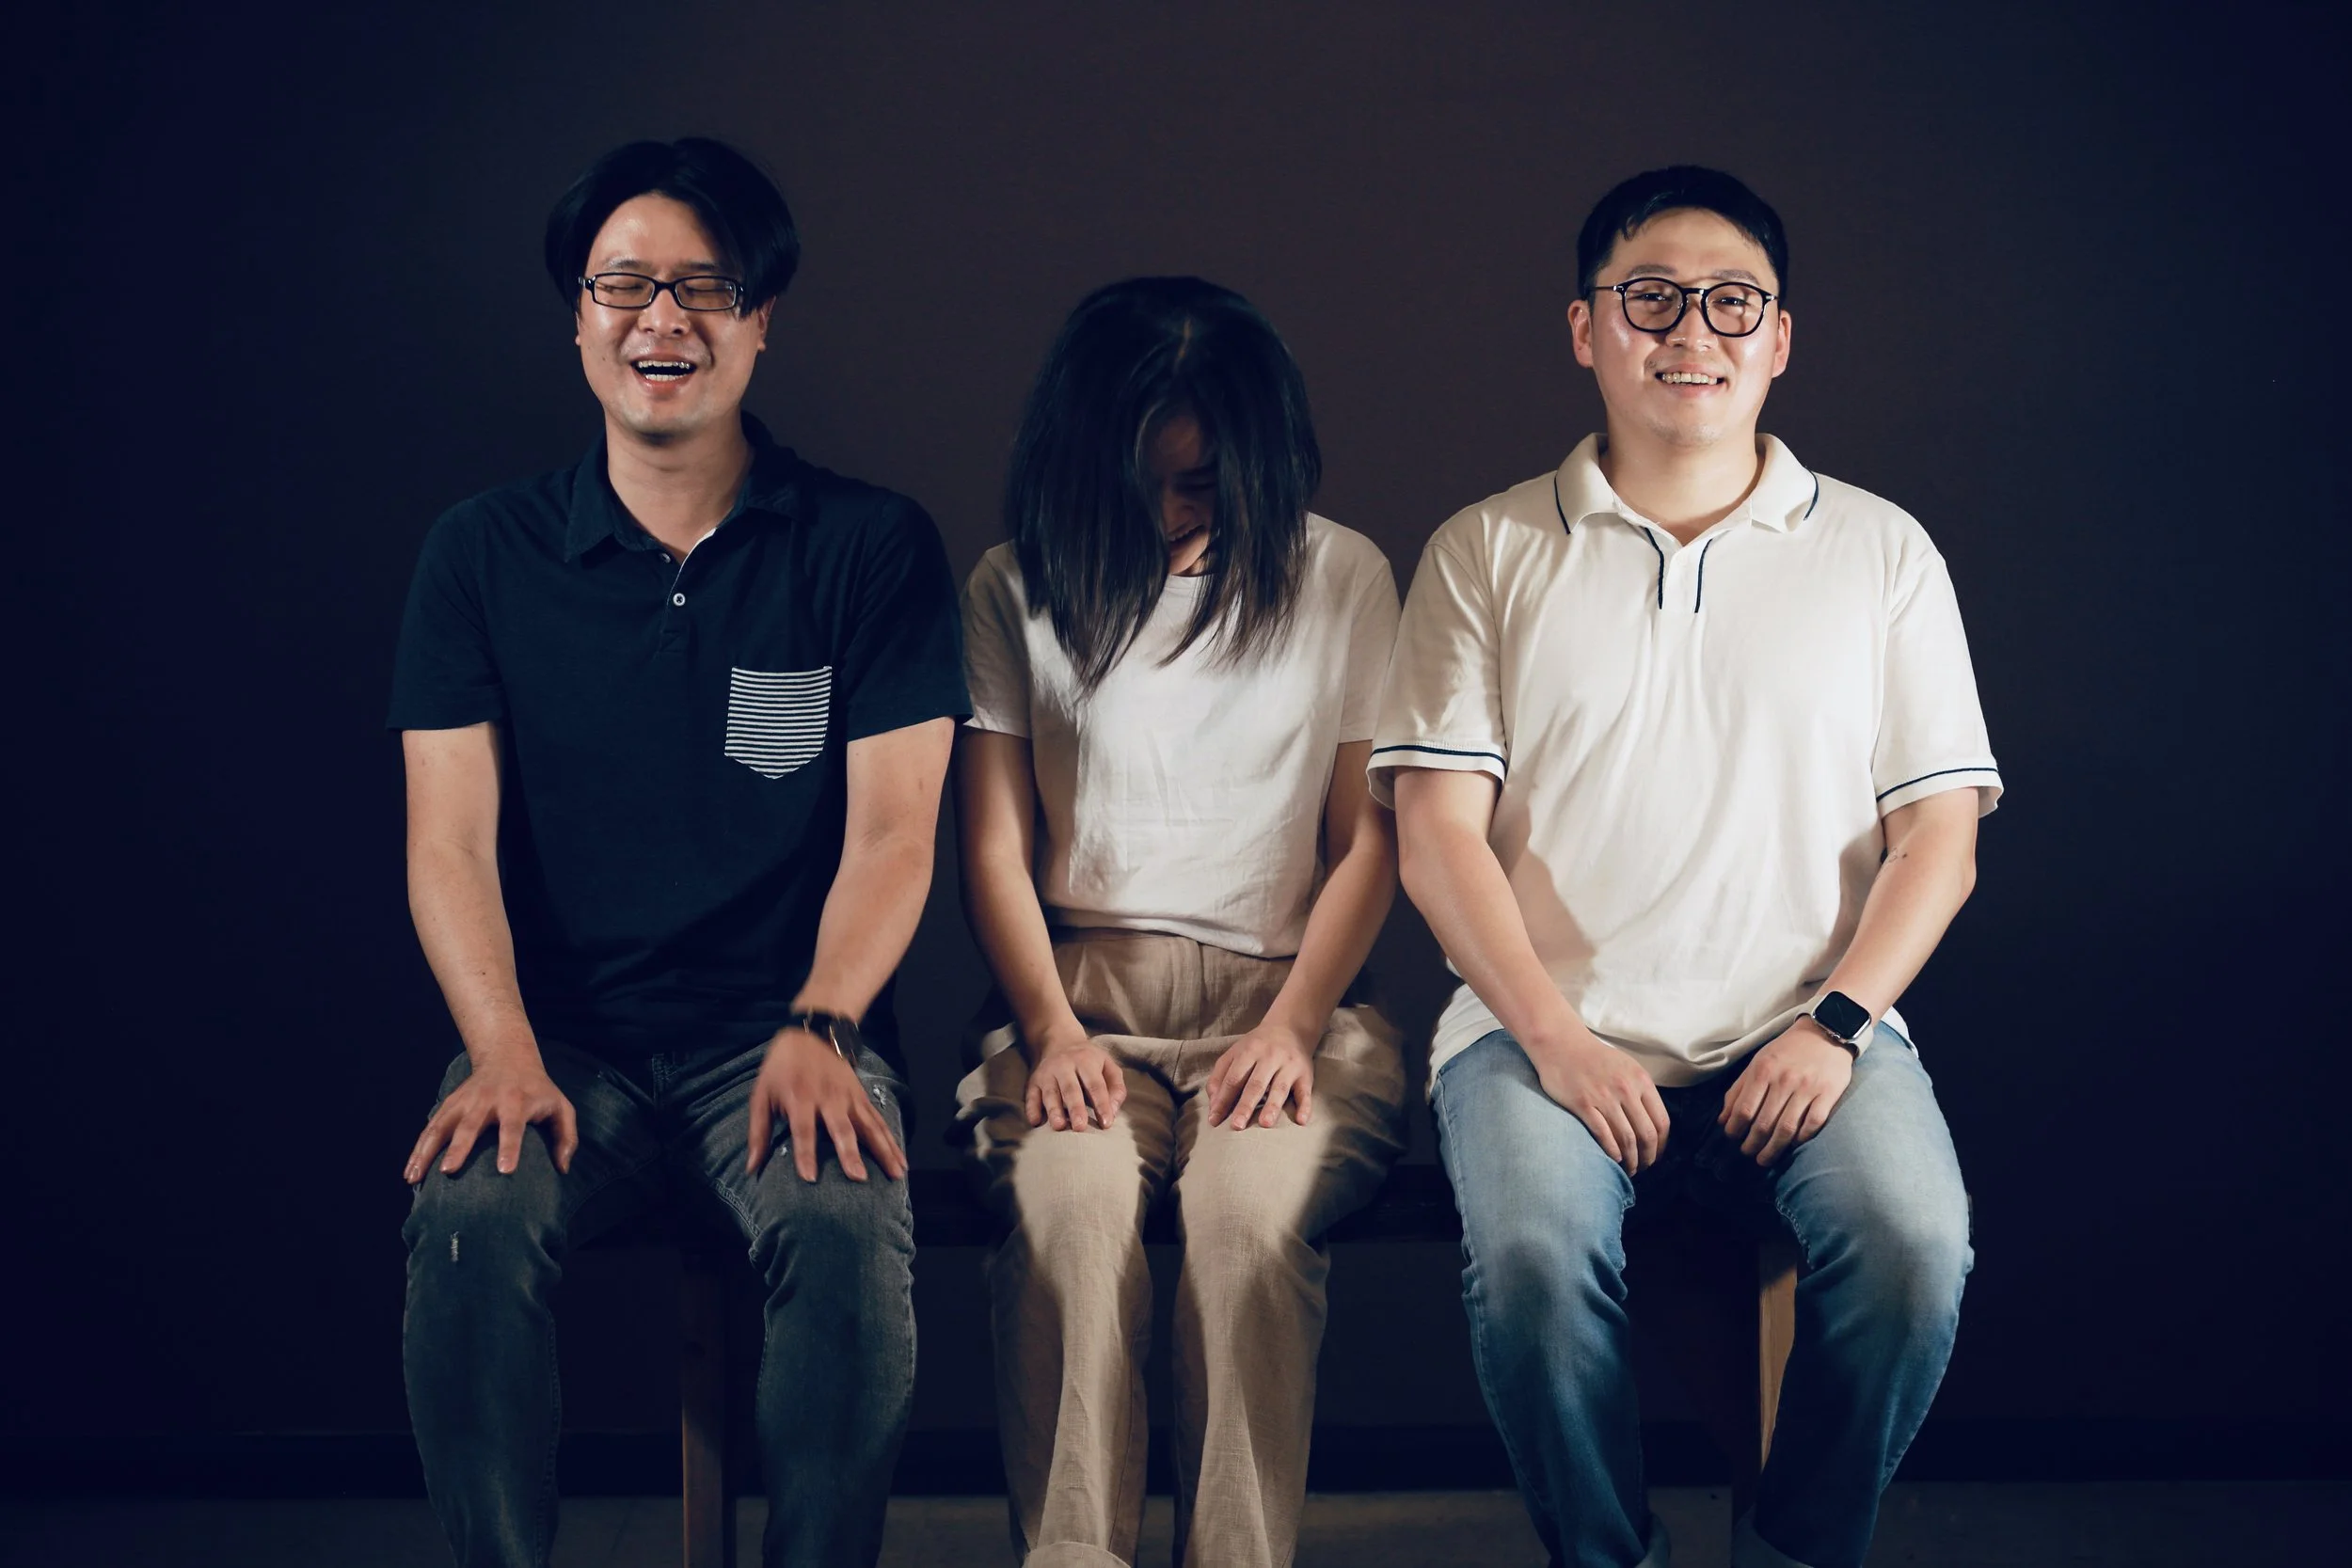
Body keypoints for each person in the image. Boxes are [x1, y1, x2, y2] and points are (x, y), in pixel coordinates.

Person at [1374, 166, 1994, 1568]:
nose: (1692, 333)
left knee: (1913, 1246)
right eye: (1650, 299)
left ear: (1780, 339)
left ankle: (1796, 1550)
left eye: (1732, 303)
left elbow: (1940, 839)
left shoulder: (1880, 551)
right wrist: (1557, 1038)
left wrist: (1836, 1023)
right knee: (1531, 1267)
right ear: (1585, 329)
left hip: (1815, 1030)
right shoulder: (1486, 549)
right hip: (1541, 1032)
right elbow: (1436, 833)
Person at [388, 137, 965, 1568]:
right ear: (577, 318)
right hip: (559, 1041)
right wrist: (501, 1050)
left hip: (782, 1033)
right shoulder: (481, 553)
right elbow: (448, 843)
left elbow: (896, 832)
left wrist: (823, 1024)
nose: (664, 319)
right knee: (467, 1216)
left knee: (846, 1221)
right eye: (625, 285)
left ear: (763, 319)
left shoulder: (867, 545)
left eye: (706, 287)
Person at [952, 277, 1408, 1568]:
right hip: (1078, 1001)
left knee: (1246, 1227)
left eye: (1203, 486)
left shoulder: (1343, 574)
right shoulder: (1015, 583)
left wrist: (1295, 1025)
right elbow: (992, 845)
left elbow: (1367, 839)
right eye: (1139, 483)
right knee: (1071, 1217)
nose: (1169, 516)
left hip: (1292, 998)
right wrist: (1049, 1032)